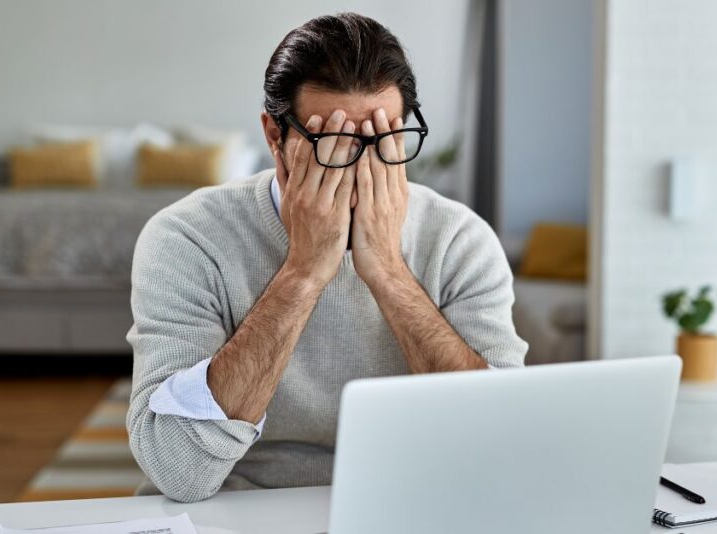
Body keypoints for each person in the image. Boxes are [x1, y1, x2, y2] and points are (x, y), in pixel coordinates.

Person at [125, 12, 527, 503]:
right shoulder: (186, 238)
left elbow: (503, 445)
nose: (362, 168)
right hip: (234, 507)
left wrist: (388, 272)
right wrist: (304, 271)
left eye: (384, 140)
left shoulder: (459, 239)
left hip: (410, 502)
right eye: (334, 145)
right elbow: (179, 469)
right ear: (276, 137)